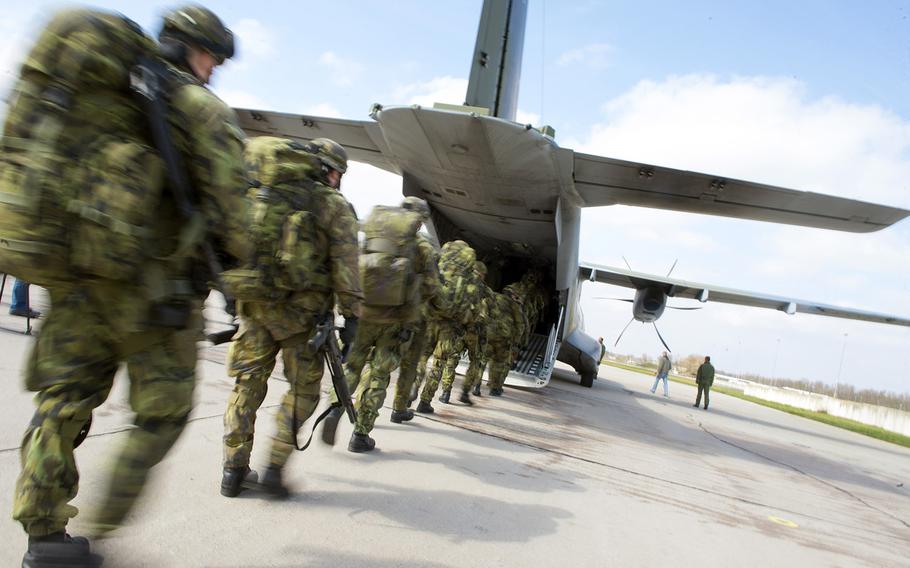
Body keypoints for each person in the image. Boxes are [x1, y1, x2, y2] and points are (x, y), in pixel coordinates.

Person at [11, 6, 249, 566]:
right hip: (156, 296)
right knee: (161, 415)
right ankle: (104, 523)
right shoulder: (199, 107)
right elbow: (235, 213)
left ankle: (43, 535)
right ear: (195, 50)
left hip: (80, 277)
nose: (213, 71)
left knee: (64, 400)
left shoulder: (107, 93)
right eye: (212, 58)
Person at [220, 137, 362, 496]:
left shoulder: (261, 193)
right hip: (303, 319)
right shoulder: (333, 205)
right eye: (338, 174)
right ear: (330, 171)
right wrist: (352, 318)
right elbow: (346, 266)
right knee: (302, 392)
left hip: (253, 309)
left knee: (246, 387)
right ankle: (274, 469)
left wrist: (229, 295)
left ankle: (232, 471)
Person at [328, 197, 441, 452]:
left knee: (353, 365)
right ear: (420, 219)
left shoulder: (374, 233)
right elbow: (433, 288)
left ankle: (335, 405)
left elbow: (355, 268)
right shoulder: (422, 248)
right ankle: (361, 434)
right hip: (396, 321)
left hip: (365, 312)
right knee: (379, 374)